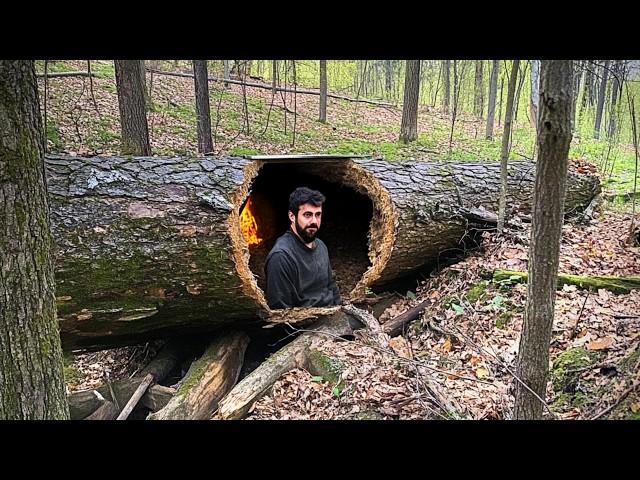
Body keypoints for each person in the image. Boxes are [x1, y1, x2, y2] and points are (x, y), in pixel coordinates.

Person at [264, 187, 341, 309]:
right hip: (307, 325)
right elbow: (281, 312)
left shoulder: (321, 246)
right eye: (307, 215)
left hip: (333, 316)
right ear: (292, 216)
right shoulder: (281, 257)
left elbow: (331, 287)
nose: (314, 221)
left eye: (318, 215)